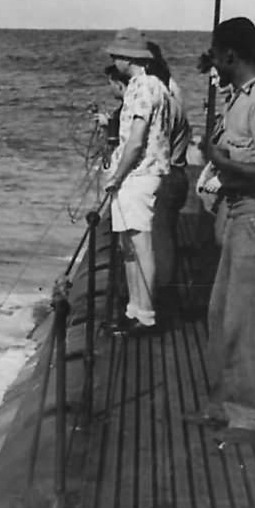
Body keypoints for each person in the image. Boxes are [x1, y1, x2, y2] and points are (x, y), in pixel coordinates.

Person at [202, 16, 255, 441]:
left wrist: (223, 164)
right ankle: (224, 403)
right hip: (238, 210)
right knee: (221, 313)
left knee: (246, 318)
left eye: (217, 56)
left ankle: (250, 414)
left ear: (231, 55)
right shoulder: (240, 98)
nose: (214, 64)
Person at [103, 27, 175, 334]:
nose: (113, 59)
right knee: (128, 245)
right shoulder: (144, 85)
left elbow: (135, 140)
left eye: (116, 55)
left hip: (140, 173)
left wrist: (116, 176)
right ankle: (134, 308)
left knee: (140, 244)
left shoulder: (144, 87)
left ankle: (145, 313)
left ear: (127, 57)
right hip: (134, 174)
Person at [146, 41, 193, 309]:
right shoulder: (173, 96)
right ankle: (166, 296)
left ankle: (161, 302)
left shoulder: (164, 103)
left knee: (161, 242)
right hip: (177, 174)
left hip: (168, 175)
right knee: (166, 239)